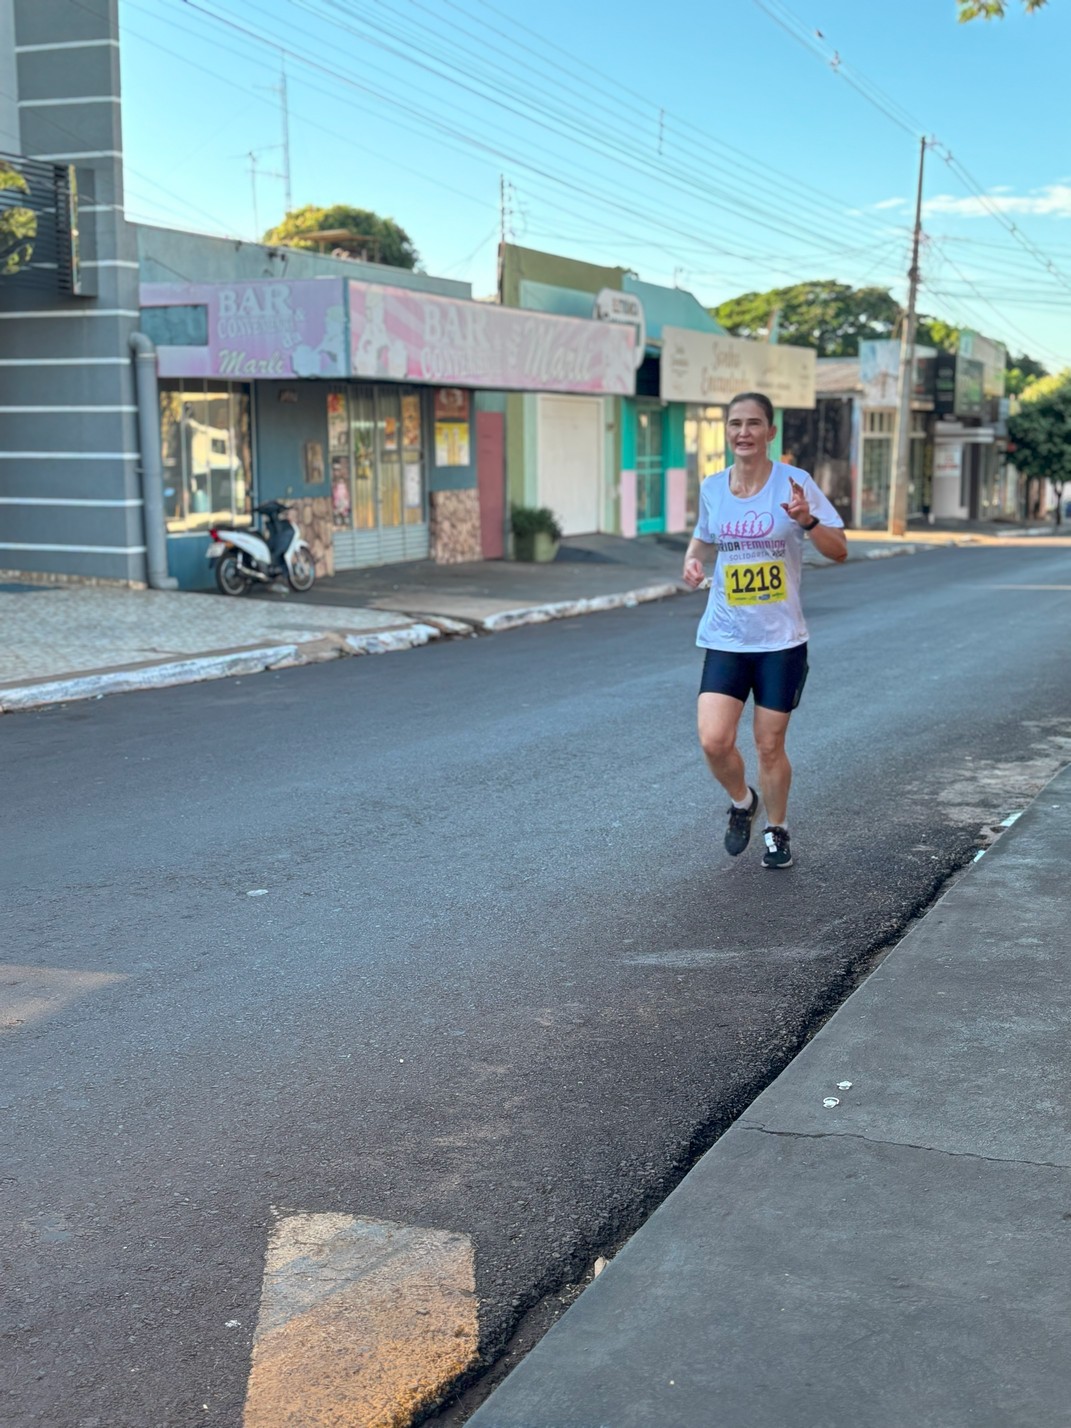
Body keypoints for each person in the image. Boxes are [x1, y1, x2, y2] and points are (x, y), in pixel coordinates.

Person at [682, 391, 847, 869]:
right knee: (714, 739)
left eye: (754, 423)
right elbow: (704, 536)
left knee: (769, 743)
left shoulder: (796, 484)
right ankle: (743, 803)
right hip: (726, 635)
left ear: (771, 432)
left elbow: (838, 550)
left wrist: (807, 520)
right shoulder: (713, 487)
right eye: (736, 424)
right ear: (727, 431)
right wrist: (692, 560)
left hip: (780, 641)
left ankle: (777, 829)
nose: (744, 433)